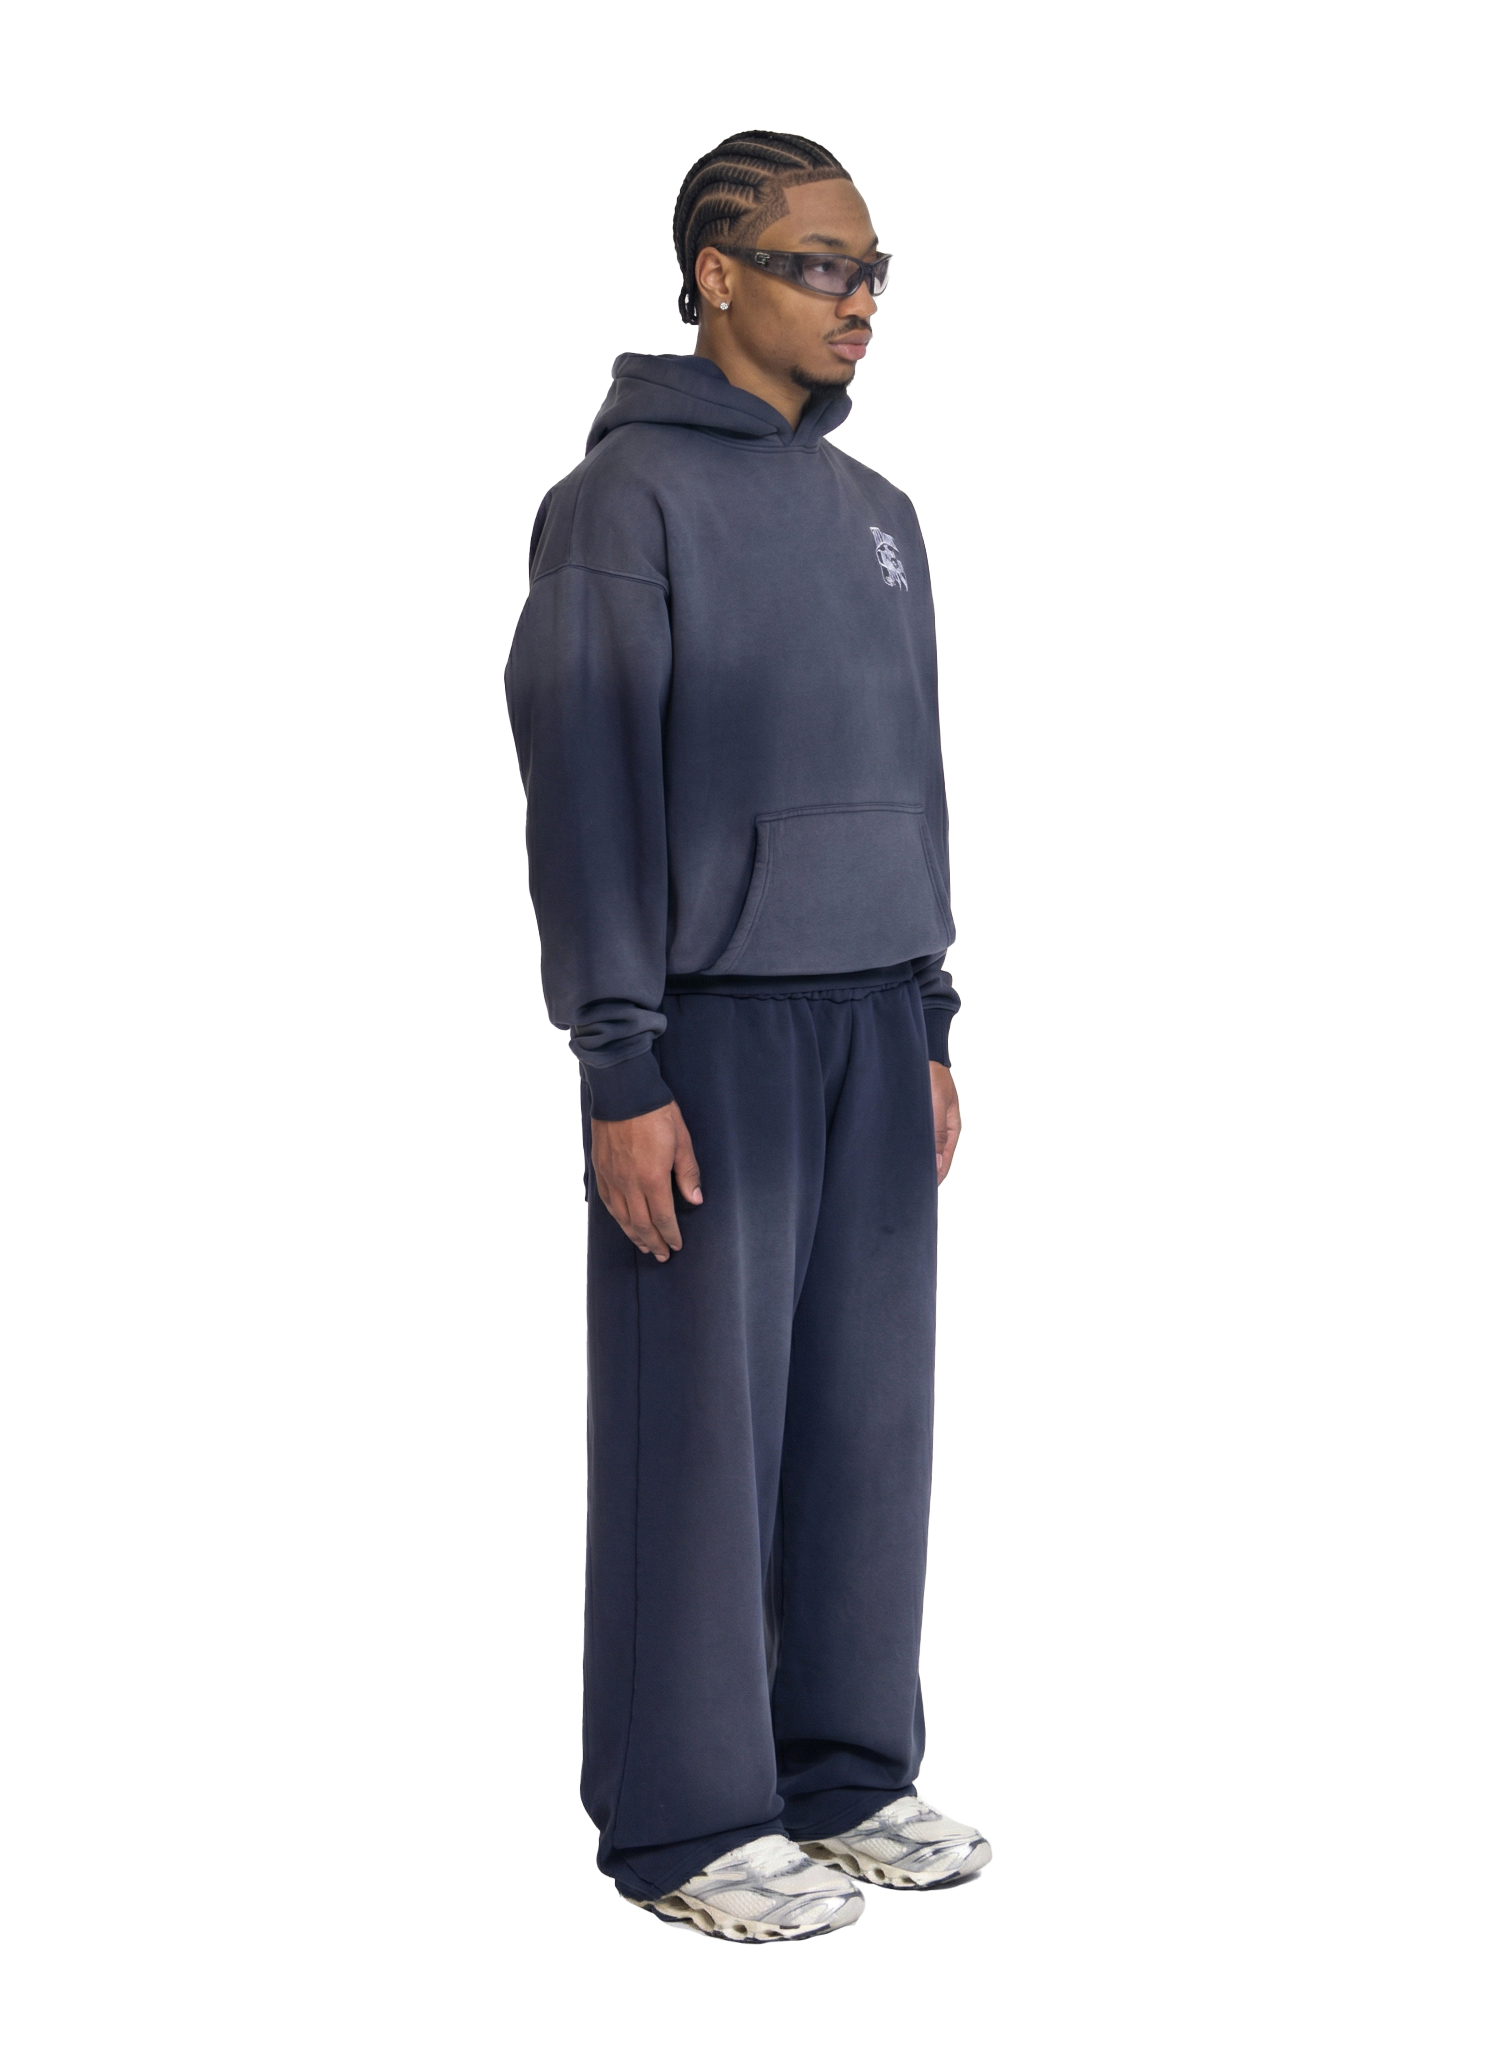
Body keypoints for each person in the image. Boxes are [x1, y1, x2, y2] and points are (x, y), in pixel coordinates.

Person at [505, 129, 989, 1944]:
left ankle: (843, 1773)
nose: (859, 299)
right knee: (695, 1436)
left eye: (872, 270)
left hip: (874, 1021)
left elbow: (912, 771)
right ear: (717, 273)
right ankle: (687, 1827)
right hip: (709, 1035)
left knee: (868, 1420)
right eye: (819, 264)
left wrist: (928, 1009)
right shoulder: (619, 504)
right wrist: (618, 1061)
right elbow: (584, 795)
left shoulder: (882, 514)